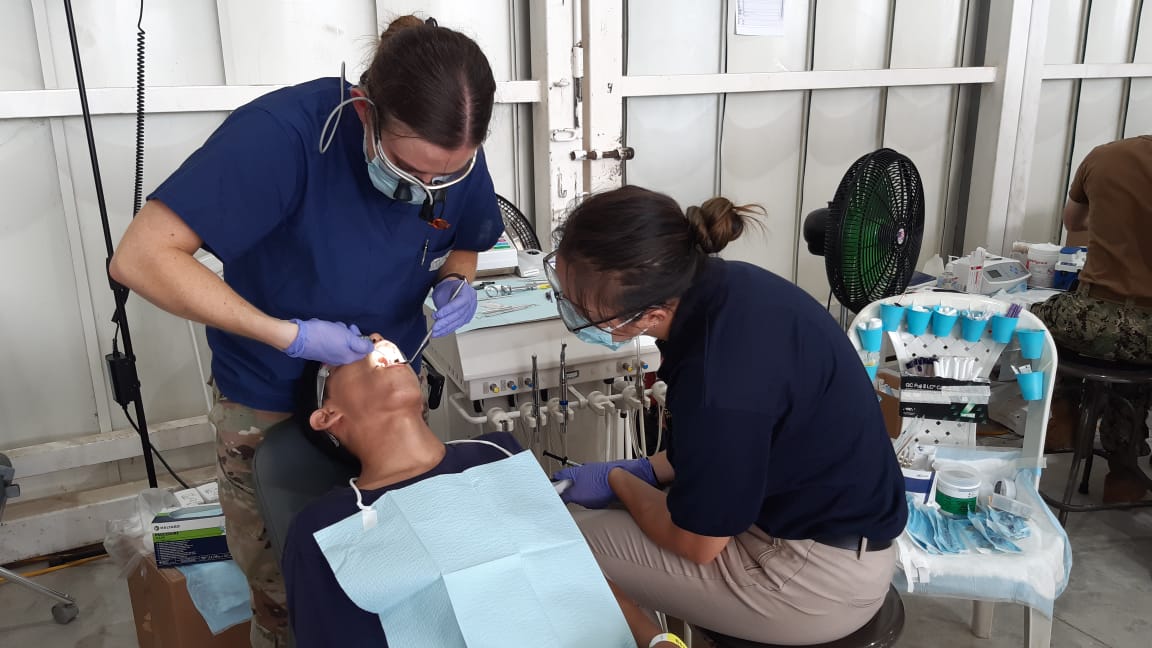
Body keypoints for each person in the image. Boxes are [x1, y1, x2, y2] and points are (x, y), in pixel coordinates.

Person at [108, 16, 504, 646]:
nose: (427, 188)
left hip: (381, 386)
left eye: (446, 177)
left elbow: (465, 244)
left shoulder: (453, 153)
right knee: (289, 591)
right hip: (265, 389)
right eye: (410, 169)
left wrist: (457, 282)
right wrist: (285, 334)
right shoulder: (281, 138)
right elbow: (139, 258)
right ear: (366, 110)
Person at [546, 186, 907, 645]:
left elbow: (697, 543)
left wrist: (620, 479)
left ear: (650, 314)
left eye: (581, 306)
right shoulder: (725, 289)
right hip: (816, 530)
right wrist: (646, 470)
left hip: (813, 581)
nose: (571, 310)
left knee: (563, 546)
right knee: (601, 521)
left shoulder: (718, 376)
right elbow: (724, 449)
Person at [283, 335, 687, 648]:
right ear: (327, 415)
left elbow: (575, 570)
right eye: (348, 352)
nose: (378, 342)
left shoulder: (495, 452)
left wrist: (654, 638)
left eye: (377, 338)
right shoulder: (326, 528)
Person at [1031, 135, 1152, 501]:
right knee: (1133, 374)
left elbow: (1074, 221)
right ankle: (1123, 471)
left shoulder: (1107, 155)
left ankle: (1064, 411)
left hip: (1089, 317)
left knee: (1036, 319)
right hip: (1148, 333)